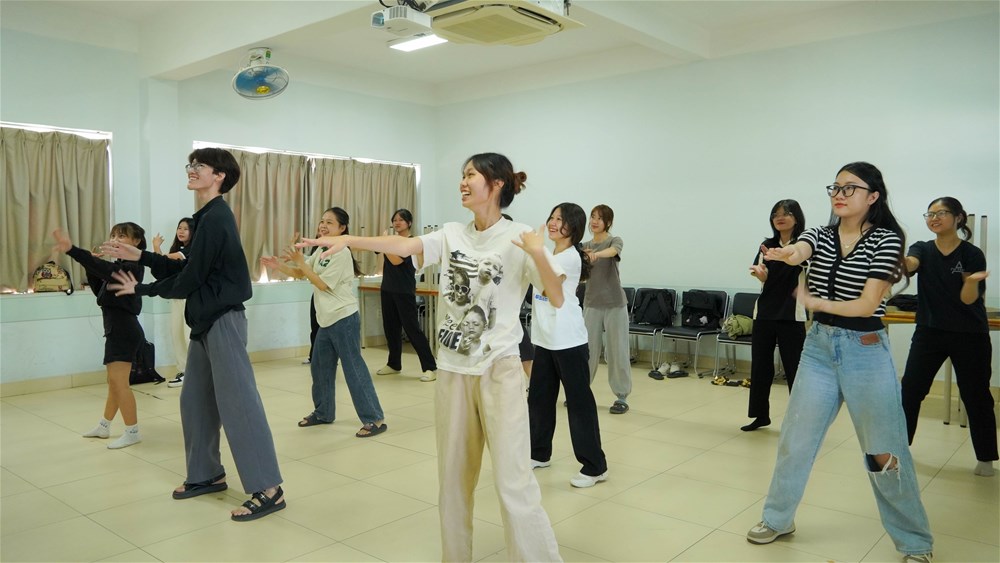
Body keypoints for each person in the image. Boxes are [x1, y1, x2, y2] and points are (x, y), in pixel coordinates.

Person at [298, 152, 565, 562]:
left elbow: (557, 296)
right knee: (453, 484)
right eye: (462, 174)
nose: (463, 181)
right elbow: (404, 246)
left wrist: (539, 253)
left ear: (496, 183)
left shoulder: (520, 237)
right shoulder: (453, 233)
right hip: (453, 371)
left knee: (514, 484)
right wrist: (349, 240)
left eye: (471, 175)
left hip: (500, 371)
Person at [747, 162, 933, 562]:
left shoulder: (886, 239)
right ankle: (778, 518)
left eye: (850, 188)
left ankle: (914, 541)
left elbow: (867, 304)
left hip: (865, 349)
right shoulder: (821, 234)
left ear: (873, 196)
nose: (839, 194)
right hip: (818, 348)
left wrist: (815, 302)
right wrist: (788, 253)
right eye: (835, 187)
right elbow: (801, 249)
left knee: (884, 451)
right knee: (795, 440)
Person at [103, 148, 285, 522]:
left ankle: (269, 488)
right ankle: (207, 474)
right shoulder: (204, 218)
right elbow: (185, 266)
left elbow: (191, 278)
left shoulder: (217, 217)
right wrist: (141, 256)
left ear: (219, 176)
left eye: (199, 166)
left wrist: (142, 288)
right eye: (190, 165)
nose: (191, 170)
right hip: (204, 323)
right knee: (195, 402)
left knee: (239, 403)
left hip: (223, 320)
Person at [261, 207, 388, 437]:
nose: (323, 225)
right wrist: (279, 266)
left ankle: (374, 419)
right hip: (326, 319)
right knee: (320, 367)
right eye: (322, 221)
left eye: (329, 222)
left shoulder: (341, 253)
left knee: (353, 368)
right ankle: (323, 413)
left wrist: (301, 261)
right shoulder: (322, 249)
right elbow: (303, 273)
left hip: (343, 318)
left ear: (342, 228)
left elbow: (321, 284)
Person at [900, 197, 996, 477]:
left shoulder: (971, 254)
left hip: (969, 333)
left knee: (976, 395)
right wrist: (897, 255)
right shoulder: (922, 248)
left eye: (941, 213)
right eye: (930, 214)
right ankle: (899, 450)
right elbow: (910, 265)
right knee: (910, 391)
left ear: (958, 218)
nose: (934, 218)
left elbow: (968, 299)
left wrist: (970, 282)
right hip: (929, 332)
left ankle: (986, 458)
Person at [528, 202, 609, 488]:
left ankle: (595, 466)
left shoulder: (570, 258)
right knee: (539, 399)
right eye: (551, 217)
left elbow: (550, 291)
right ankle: (538, 453)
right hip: (545, 338)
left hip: (568, 340)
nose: (552, 223)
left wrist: (534, 253)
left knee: (578, 403)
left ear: (573, 227)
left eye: (560, 219)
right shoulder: (552, 254)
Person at [53, 223, 146, 450]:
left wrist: (73, 250)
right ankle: (104, 426)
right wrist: (90, 266)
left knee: (120, 383)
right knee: (114, 382)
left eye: (121, 236)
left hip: (124, 330)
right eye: (113, 235)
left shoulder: (132, 267)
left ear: (136, 242)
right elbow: (100, 292)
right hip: (116, 329)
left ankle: (132, 432)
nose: (115, 239)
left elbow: (104, 270)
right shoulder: (119, 266)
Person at [742, 200, 807, 431]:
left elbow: (807, 266)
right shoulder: (767, 246)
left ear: (796, 218)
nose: (780, 217)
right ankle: (760, 416)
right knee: (760, 367)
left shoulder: (803, 245)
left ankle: (799, 421)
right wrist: (760, 273)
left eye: (786, 213)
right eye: (776, 214)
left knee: (795, 369)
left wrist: (784, 255)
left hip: (792, 314)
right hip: (764, 313)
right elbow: (763, 275)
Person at [373, 209, 438, 382]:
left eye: (401, 220)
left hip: (404, 291)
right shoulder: (391, 241)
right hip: (387, 289)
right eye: (394, 220)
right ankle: (394, 364)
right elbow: (375, 249)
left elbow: (396, 261)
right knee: (391, 329)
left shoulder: (412, 242)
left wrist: (384, 243)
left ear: (409, 223)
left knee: (412, 329)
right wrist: (383, 242)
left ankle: (430, 367)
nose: (397, 222)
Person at [582, 204, 631, 414]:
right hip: (591, 303)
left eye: (600, 218)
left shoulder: (614, 241)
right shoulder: (583, 246)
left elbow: (613, 252)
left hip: (615, 304)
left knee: (617, 350)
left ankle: (621, 396)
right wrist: (584, 255)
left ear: (608, 222)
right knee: (587, 351)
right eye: (592, 217)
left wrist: (595, 255)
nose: (594, 221)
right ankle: (581, 391)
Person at [153, 218, 194, 388]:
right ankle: (183, 371)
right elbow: (161, 268)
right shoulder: (178, 249)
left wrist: (156, 247)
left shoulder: (192, 250)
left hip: (190, 299)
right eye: (179, 228)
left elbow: (163, 259)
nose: (181, 231)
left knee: (188, 336)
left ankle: (194, 373)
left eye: (186, 228)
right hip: (177, 298)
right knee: (177, 335)